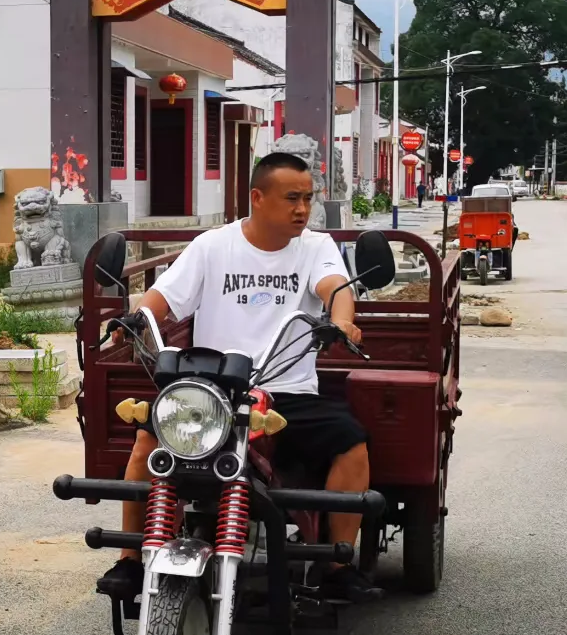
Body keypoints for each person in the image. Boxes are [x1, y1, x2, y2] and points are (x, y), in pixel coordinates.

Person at [95, 151, 376, 604]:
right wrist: (135, 318)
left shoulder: (316, 248)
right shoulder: (213, 246)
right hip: (214, 389)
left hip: (286, 391)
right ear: (257, 198)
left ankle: (337, 564)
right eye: (291, 198)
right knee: (149, 440)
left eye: (307, 198)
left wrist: (342, 322)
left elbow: (335, 290)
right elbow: (163, 297)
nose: (302, 209)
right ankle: (129, 561)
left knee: (351, 443)